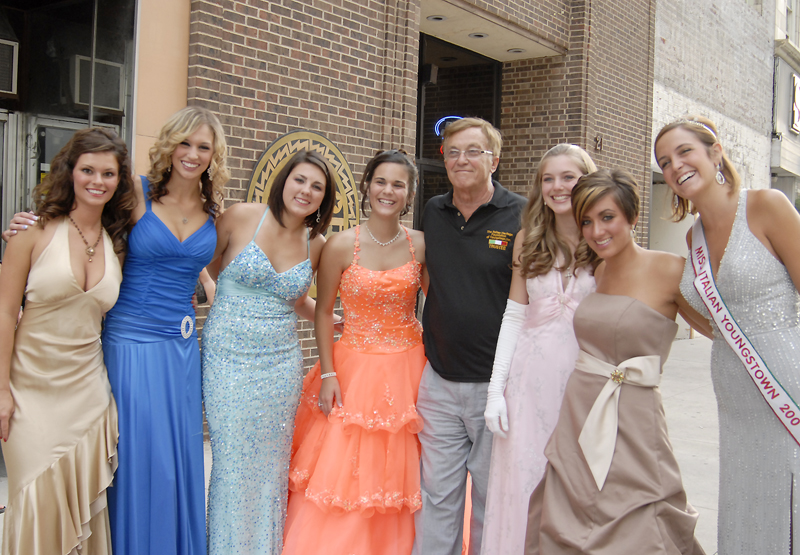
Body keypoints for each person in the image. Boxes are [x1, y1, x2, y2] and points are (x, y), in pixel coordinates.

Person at [524, 169, 704, 554]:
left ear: (632, 217)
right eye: (586, 221)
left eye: (607, 217)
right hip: (580, 410)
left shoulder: (671, 269)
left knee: (640, 513)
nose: (595, 231)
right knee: (567, 513)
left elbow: (720, 328)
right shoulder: (599, 271)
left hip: (635, 417)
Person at [655, 115, 800, 554]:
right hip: (733, 388)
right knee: (748, 491)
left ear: (714, 152)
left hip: (786, 378)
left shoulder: (766, 205)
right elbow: (714, 323)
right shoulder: (692, 236)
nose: (675, 165)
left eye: (684, 152)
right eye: (664, 162)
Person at [281, 150, 426, 555]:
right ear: (366, 186)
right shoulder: (342, 245)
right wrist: (328, 374)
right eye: (381, 181)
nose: (388, 191)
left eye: (398, 184)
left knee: (404, 467)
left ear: (409, 194)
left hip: (408, 366)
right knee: (344, 470)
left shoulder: (420, 245)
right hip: (352, 367)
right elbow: (324, 311)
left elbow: (441, 306)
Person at [0, 128, 135, 554]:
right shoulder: (32, 231)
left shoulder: (119, 243)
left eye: (109, 173)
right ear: (70, 172)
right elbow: (4, 313)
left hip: (88, 395)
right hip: (28, 391)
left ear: (119, 181)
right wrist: (1, 389)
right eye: (88, 170)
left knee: (82, 511)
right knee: (35, 501)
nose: (98, 181)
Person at [101, 106, 228, 555]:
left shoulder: (213, 211)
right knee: (139, 454)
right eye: (184, 143)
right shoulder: (135, 193)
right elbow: (81, 227)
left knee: (179, 457)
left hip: (183, 348)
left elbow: (210, 272)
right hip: (130, 340)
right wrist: (29, 228)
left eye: (202, 147)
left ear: (214, 155)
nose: (191, 154)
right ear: (169, 145)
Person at [201, 150, 335, 554]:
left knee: (270, 469)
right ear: (284, 180)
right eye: (300, 180)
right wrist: (213, 291)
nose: (306, 191)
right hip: (228, 357)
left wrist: (338, 323)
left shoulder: (317, 244)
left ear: (324, 199)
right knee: (231, 462)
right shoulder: (242, 216)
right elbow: (200, 262)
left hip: (280, 365)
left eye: (317, 187)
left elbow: (298, 301)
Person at [413, 118, 526, 555]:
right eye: (453, 151)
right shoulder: (433, 211)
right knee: (437, 497)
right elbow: (430, 280)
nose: (462, 159)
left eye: (473, 151)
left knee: (489, 500)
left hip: (495, 386)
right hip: (439, 381)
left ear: (494, 159)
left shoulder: (520, 213)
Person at [481, 144, 597, 555]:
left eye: (568, 177)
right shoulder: (528, 240)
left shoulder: (604, 240)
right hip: (528, 385)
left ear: (588, 181)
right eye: (548, 178)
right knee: (524, 482)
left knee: (578, 487)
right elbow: (513, 317)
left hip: (584, 384)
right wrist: (496, 390)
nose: (556, 186)